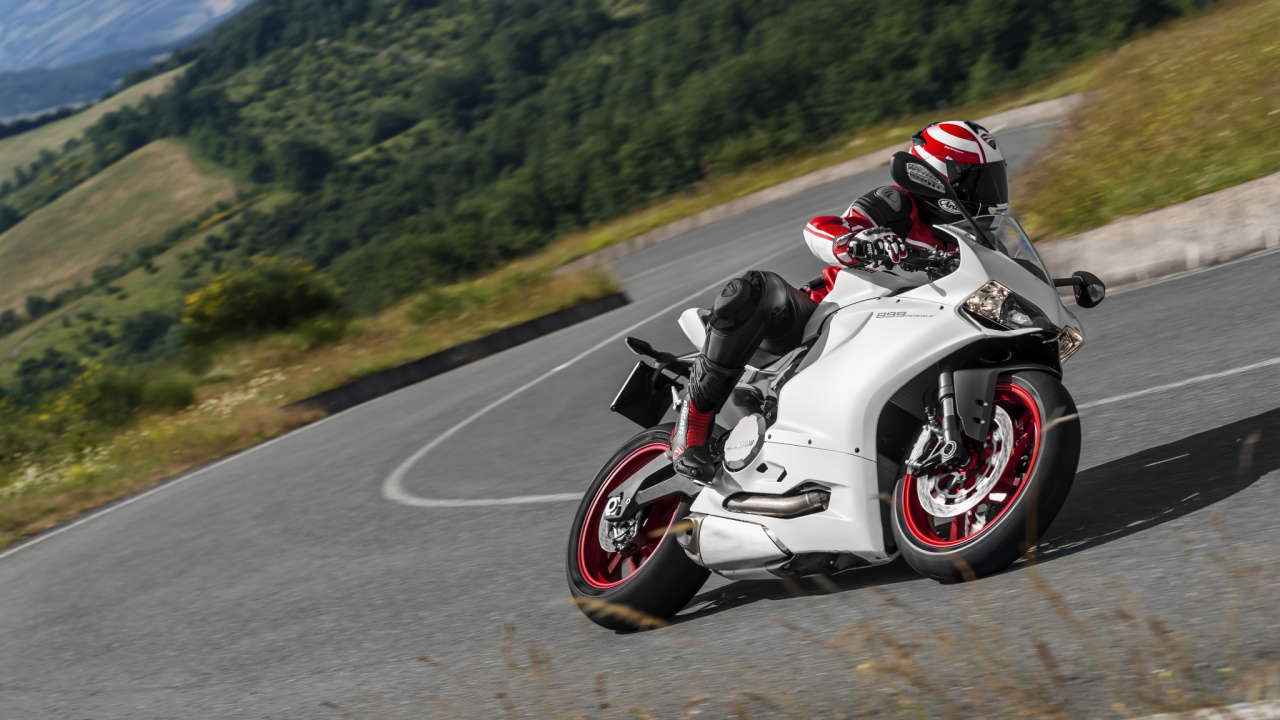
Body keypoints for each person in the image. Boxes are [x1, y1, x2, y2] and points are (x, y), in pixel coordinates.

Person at [670, 120, 1012, 480]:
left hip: (911, 335)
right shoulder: (895, 206)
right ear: (935, 177)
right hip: (820, 320)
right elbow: (822, 226)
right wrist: (854, 242)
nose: (990, 193)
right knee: (756, 287)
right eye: (976, 181)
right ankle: (692, 423)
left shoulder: (981, 243)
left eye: (993, 179)